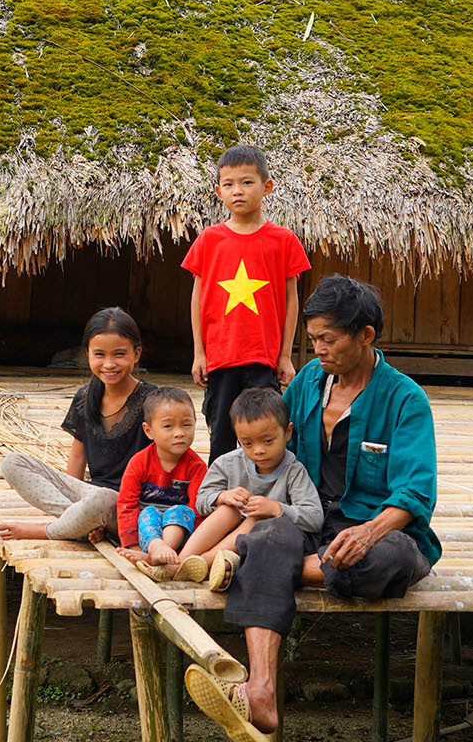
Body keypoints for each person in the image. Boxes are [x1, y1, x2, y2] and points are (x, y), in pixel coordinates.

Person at [185, 275, 439, 742]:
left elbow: (415, 492)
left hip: (377, 528)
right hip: (309, 521)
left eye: (329, 339)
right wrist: (232, 495)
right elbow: (265, 446)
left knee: (389, 561)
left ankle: (266, 568)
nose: (318, 349)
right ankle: (260, 693)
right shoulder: (305, 386)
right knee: (267, 536)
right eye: (313, 338)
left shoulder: (405, 400)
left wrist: (368, 531)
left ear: (366, 335)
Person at [183, 146, 311, 460]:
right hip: (221, 357)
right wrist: (200, 352)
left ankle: (267, 497)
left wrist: (284, 356)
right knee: (222, 436)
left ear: (266, 186)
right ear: (218, 191)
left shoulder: (284, 240)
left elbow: (291, 301)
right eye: (228, 184)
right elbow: (197, 298)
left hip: (263, 357)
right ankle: (220, 501)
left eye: (247, 182)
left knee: (266, 434)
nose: (237, 191)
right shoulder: (209, 239)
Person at [0, 308, 151, 542]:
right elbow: (78, 458)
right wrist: (74, 498)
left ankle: (50, 530)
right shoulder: (85, 397)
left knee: (102, 501)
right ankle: (79, 522)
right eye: (99, 354)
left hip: (129, 506)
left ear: (136, 353)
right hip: (89, 496)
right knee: (12, 463)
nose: (109, 364)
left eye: (119, 354)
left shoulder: (154, 401)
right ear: (87, 354)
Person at [174, 386, 320, 589]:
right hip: (223, 534)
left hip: (258, 544)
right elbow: (201, 500)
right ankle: (182, 561)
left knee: (256, 519)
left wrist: (276, 510)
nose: (259, 450)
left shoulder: (294, 471)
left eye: (268, 441)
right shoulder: (228, 463)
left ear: (287, 432)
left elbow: (315, 517)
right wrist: (222, 497)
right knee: (228, 510)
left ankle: (200, 564)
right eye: (247, 443)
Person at [114, 385, 208, 574]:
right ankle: (156, 548)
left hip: (178, 530)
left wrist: (191, 544)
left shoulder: (197, 467)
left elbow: (197, 509)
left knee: (181, 511)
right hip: (147, 529)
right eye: (168, 426)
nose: (179, 433)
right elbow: (127, 504)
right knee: (149, 512)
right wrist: (132, 545)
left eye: (186, 424)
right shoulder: (139, 463)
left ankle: (161, 552)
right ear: (148, 431)